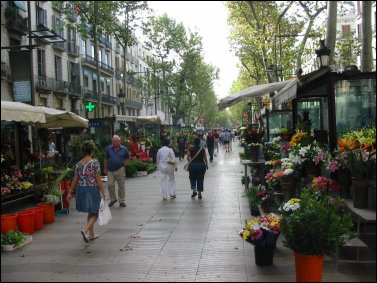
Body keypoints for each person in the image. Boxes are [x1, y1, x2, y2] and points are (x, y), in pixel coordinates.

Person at [67, 140, 105, 243]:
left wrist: (70, 192)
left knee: (90, 211)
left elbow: (75, 179)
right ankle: (85, 229)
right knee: (96, 212)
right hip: (92, 189)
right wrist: (103, 191)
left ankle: (91, 234)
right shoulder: (94, 163)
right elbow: (98, 179)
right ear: (92, 150)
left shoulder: (78, 164)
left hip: (81, 189)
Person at [104, 135, 131, 207]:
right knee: (110, 185)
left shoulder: (124, 149)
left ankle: (121, 201)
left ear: (119, 141)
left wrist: (125, 164)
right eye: (112, 141)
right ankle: (113, 199)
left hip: (120, 169)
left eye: (115, 141)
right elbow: (106, 159)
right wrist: (105, 168)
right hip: (110, 170)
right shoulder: (109, 148)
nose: (113, 143)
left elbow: (128, 158)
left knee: (121, 185)